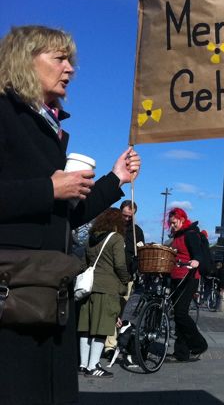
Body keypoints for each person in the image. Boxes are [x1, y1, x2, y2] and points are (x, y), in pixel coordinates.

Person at [0, 26, 140, 404]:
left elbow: (66, 215)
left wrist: (116, 180)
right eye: (59, 58)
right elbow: (47, 196)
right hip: (13, 294)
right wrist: (49, 188)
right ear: (25, 61)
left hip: (48, 291)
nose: (70, 69)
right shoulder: (6, 112)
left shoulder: (50, 126)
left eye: (70, 60)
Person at [77, 208, 130, 378]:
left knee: (86, 328)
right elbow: (120, 265)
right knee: (101, 329)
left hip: (89, 288)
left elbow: (84, 263)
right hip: (107, 288)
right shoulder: (116, 238)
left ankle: (83, 364)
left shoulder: (90, 239)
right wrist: (125, 279)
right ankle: (94, 366)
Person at [103, 199, 145, 358]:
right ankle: (108, 345)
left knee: (120, 309)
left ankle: (111, 342)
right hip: (111, 273)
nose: (126, 219)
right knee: (109, 309)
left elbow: (140, 252)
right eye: (125, 215)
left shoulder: (137, 231)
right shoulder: (112, 228)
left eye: (130, 216)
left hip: (127, 275)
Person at [167, 207, 208, 361]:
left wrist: (196, 260)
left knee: (181, 313)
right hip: (176, 277)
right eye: (170, 223)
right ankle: (181, 353)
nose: (172, 225)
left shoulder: (190, 234)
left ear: (182, 219)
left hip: (189, 277)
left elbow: (197, 253)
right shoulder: (176, 236)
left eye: (174, 222)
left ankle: (199, 344)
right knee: (177, 315)